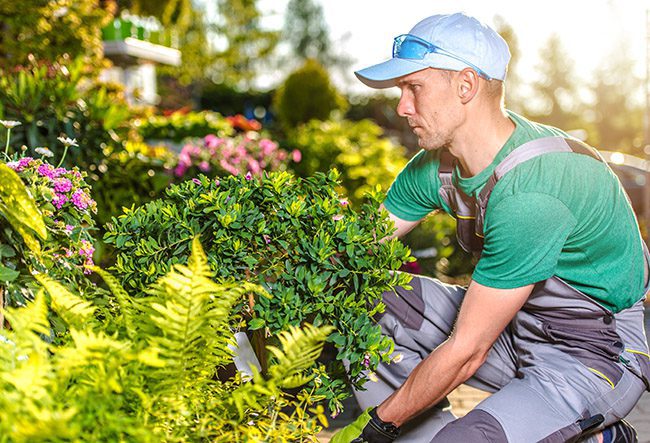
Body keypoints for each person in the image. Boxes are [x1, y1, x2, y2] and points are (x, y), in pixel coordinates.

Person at [331, 11, 650, 443]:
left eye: (414, 88)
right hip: (516, 328)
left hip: (594, 353)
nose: (402, 106)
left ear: (465, 85)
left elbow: (467, 351)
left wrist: (375, 427)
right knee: (364, 297)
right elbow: (355, 249)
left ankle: (600, 437)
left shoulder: (533, 193)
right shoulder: (437, 167)